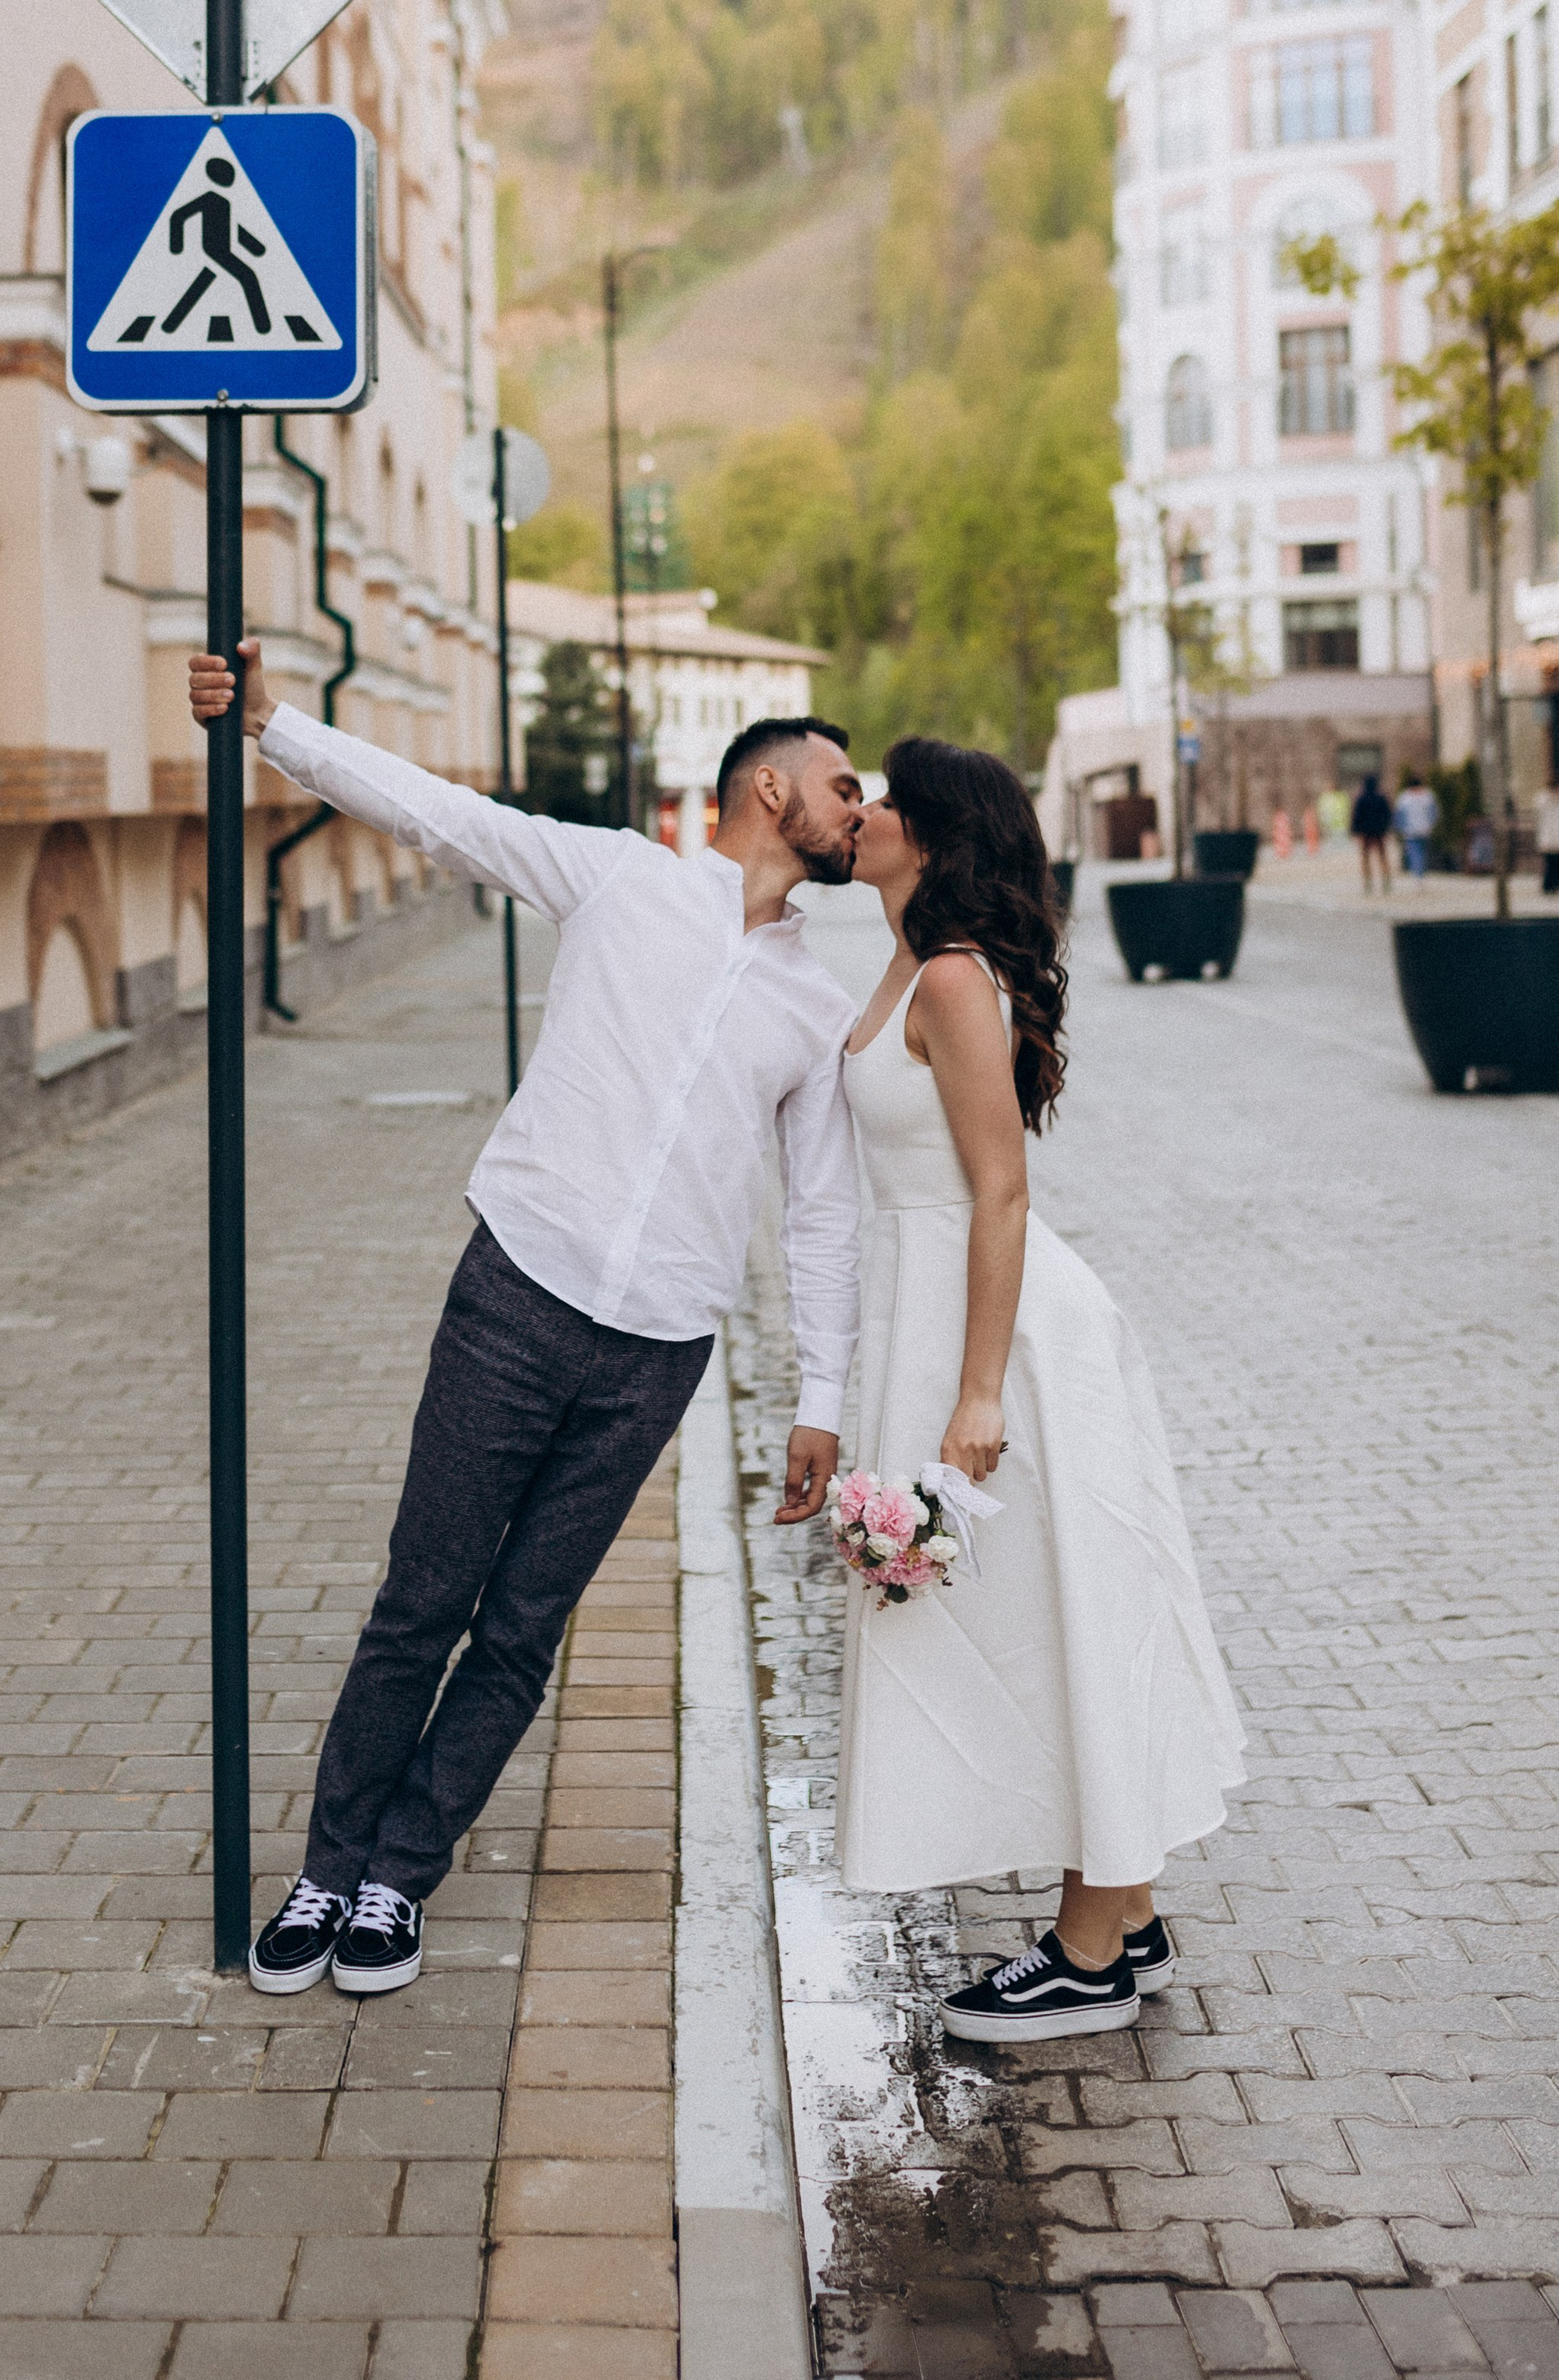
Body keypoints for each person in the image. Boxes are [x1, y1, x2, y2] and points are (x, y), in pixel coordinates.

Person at [186, 640, 866, 1998]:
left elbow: (822, 1215)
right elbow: (440, 811)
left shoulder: (816, 1001)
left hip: (657, 1350)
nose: (865, 805)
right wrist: (276, 730)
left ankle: (397, 1882)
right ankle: (326, 1868)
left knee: (520, 1630)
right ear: (769, 791)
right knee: (420, 1601)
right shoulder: (621, 876)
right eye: (847, 784)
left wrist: (823, 1396)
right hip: (516, 1295)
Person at [791, 736, 1245, 2042]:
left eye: (885, 802)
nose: (865, 815)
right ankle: (1127, 1905)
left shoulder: (947, 977)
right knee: (1047, 1612)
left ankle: (1090, 1952)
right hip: (933, 1307)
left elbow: (1001, 1188)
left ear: (931, 836)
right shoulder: (905, 958)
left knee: (1063, 1611)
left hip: (1004, 1331)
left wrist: (979, 1390)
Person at [1350, 771, 1394, 895]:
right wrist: (1386, 829)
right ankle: (1386, 880)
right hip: (1379, 831)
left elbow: (1357, 817)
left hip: (1365, 832)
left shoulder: (1361, 799)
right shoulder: (1381, 798)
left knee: (1366, 858)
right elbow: (1387, 815)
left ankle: (1368, 882)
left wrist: (1355, 831)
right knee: (1382, 856)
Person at [1395, 768, 1439, 886]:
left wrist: (1400, 828)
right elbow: (1434, 813)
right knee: (1422, 853)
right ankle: (1420, 874)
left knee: (1415, 853)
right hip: (1425, 829)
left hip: (1411, 830)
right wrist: (1432, 824)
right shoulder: (1428, 795)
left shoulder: (1405, 797)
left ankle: (1418, 874)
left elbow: (1399, 815)